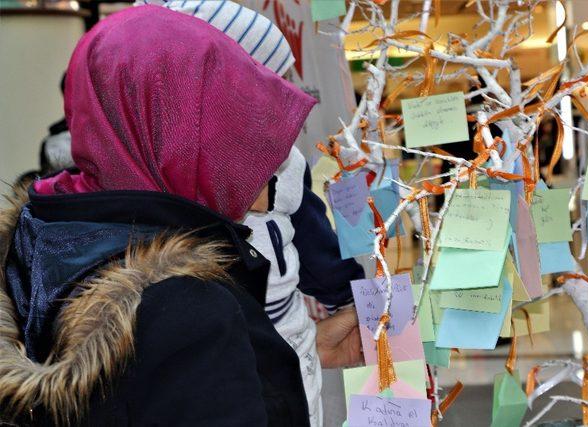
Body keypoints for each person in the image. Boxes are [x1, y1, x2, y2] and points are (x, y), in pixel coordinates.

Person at [0, 5, 361, 426]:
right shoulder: (191, 313)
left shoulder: (36, 249)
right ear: (178, 134)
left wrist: (292, 350)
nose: (269, 151)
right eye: (234, 120)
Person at [130, 2, 364, 425]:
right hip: (246, 348)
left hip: (273, 340)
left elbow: (311, 239)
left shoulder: (273, 161)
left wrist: (351, 296)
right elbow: (315, 244)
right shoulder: (267, 160)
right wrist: (349, 293)